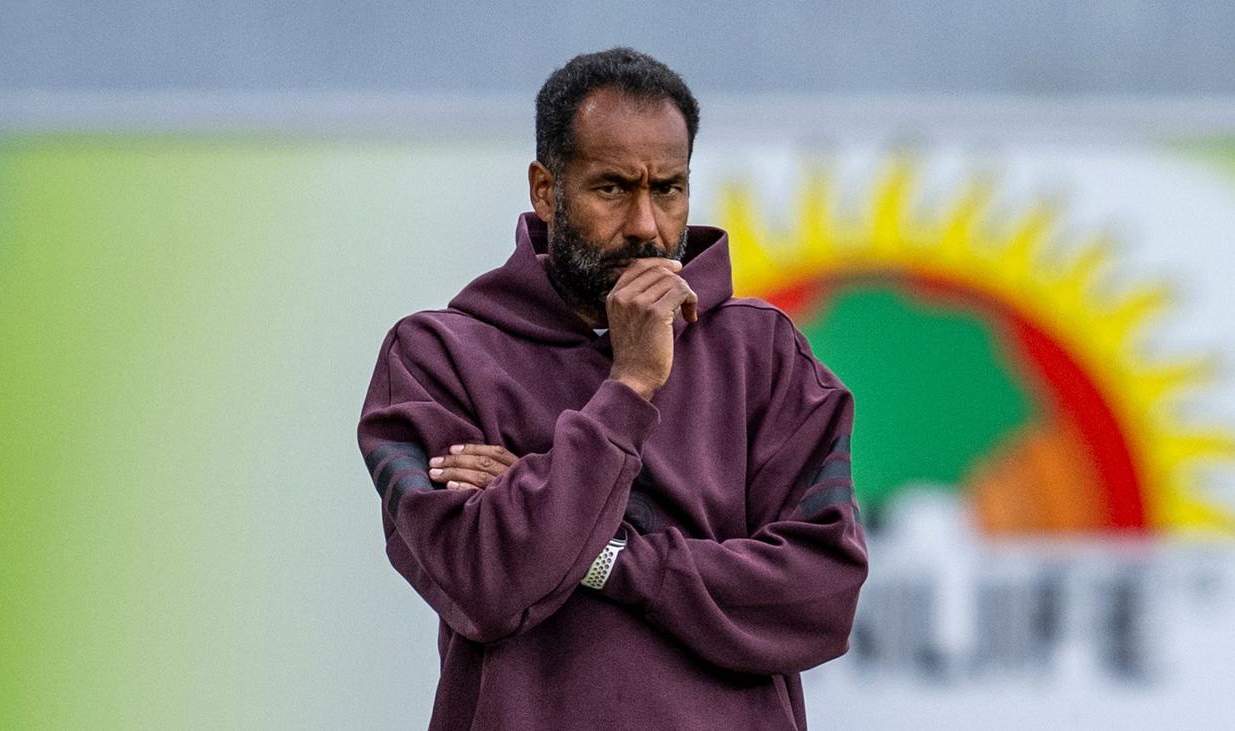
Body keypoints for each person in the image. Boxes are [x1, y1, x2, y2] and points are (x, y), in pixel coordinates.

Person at [357, 47, 867, 730]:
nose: (646, 226)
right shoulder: (435, 359)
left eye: (668, 189)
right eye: (612, 189)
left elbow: (821, 597)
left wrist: (601, 553)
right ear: (546, 190)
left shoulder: (765, 354)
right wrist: (629, 384)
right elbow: (486, 583)